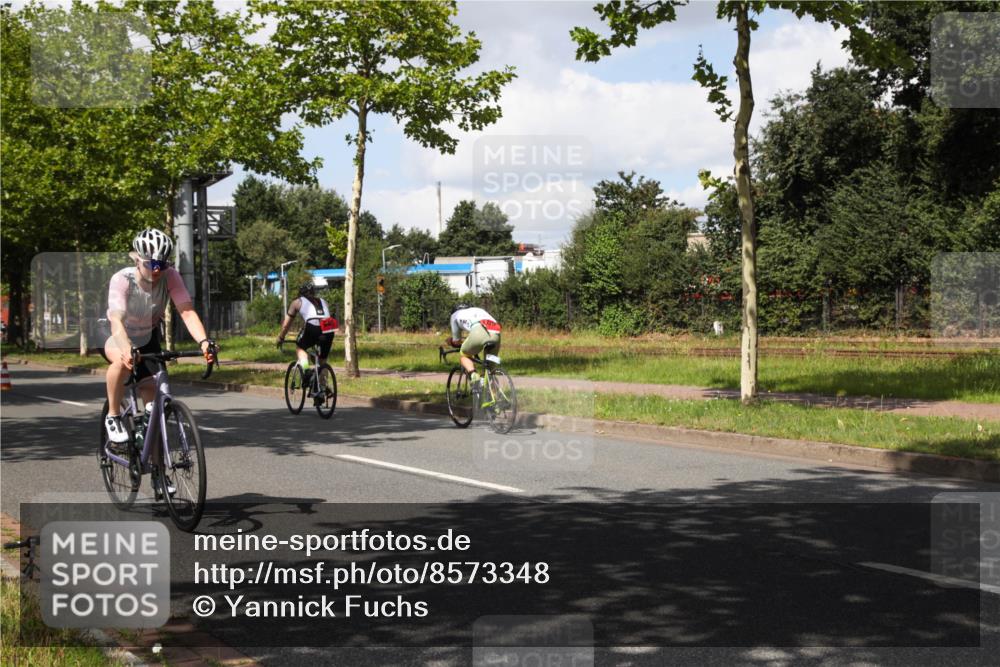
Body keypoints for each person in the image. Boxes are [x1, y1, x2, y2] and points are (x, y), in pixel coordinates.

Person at [104, 229, 216, 444]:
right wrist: (126, 348)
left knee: (153, 405)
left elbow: (186, 311)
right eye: (151, 264)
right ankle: (113, 416)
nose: (157, 270)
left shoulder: (170, 276)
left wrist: (203, 341)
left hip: (148, 334)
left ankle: (157, 470)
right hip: (118, 332)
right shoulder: (122, 279)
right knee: (121, 361)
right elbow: (116, 320)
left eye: (162, 265)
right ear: (137, 259)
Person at [276, 282, 337, 393]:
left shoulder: (297, 302)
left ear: (300, 293)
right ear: (313, 293)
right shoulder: (323, 301)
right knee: (322, 360)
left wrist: (281, 337)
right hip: (330, 326)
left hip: (313, 325)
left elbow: (286, 325)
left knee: (300, 347)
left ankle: (306, 370)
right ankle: (323, 387)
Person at [446, 303, 501, 388]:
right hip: (496, 333)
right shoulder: (478, 310)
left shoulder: (455, 315)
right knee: (490, 371)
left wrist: (451, 342)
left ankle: (474, 375)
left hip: (478, 331)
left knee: (464, 354)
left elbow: (456, 341)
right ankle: (496, 396)